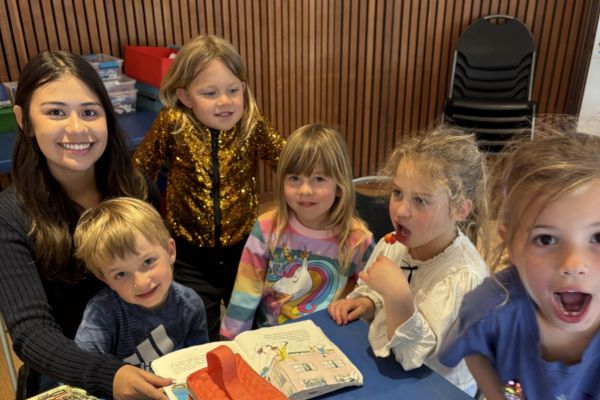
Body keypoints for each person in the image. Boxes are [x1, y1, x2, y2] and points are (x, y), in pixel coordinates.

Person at [0, 50, 171, 398]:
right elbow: (32, 332)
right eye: (56, 112)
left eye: (89, 112)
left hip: (147, 352)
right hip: (68, 368)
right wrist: (108, 375)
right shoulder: (11, 217)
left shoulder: (137, 189)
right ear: (24, 120)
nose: (76, 128)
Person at [133, 35, 285, 341]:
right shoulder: (173, 122)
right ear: (186, 96)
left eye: (233, 90)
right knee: (199, 330)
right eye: (210, 93)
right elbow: (138, 174)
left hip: (244, 250)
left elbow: (287, 160)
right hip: (189, 256)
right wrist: (148, 231)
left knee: (254, 327)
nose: (225, 101)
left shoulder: (252, 124)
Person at [327, 127, 489, 395]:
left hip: (439, 386)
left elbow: (413, 356)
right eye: (398, 193)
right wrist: (367, 302)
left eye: (420, 200)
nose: (401, 210)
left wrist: (398, 293)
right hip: (389, 371)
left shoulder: (464, 277)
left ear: (459, 210)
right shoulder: (393, 244)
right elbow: (375, 291)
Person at [440, 130, 600, 400]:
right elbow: (474, 350)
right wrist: (497, 394)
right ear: (511, 245)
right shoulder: (490, 308)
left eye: (597, 237)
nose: (574, 265)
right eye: (546, 239)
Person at [220, 124, 374, 339]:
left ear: (339, 185)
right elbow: (245, 291)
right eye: (294, 178)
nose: (305, 190)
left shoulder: (358, 239)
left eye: (318, 179)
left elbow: (371, 291)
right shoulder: (266, 229)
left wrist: (363, 302)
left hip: (329, 340)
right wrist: (230, 343)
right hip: (270, 338)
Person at [73, 197, 208, 370]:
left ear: (170, 251)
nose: (142, 283)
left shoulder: (191, 303)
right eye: (121, 274)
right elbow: (82, 372)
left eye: (148, 261)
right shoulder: (102, 313)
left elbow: (199, 364)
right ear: (105, 280)